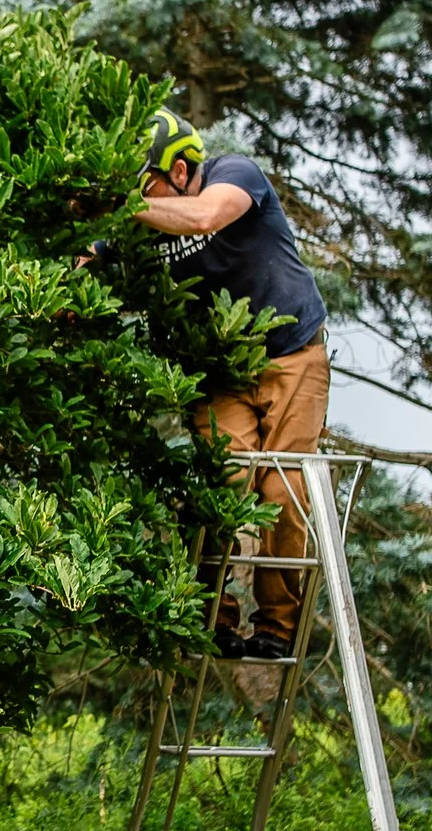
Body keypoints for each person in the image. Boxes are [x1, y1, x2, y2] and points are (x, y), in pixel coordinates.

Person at [131, 109, 331, 663]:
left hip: (292, 355)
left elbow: (204, 217)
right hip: (219, 372)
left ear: (176, 169)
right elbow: (97, 257)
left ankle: (279, 624)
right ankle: (210, 619)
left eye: (143, 179)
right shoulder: (145, 218)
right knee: (226, 482)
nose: (138, 193)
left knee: (282, 491)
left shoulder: (234, 174)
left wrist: (128, 208)